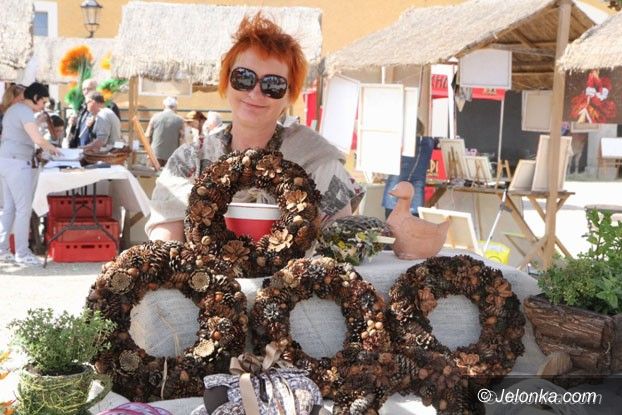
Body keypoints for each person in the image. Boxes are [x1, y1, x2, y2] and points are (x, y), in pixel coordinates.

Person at [145, 13, 363, 241]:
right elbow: (164, 240)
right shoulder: (190, 161)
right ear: (226, 82)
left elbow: (341, 244)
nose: (255, 93)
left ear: (289, 96)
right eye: (244, 78)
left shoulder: (318, 162)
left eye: (273, 85)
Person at [0, 82, 60, 265]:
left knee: (10, 208)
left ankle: (3, 249)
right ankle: (22, 252)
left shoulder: (14, 109)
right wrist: (54, 149)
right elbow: (38, 139)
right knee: (23, 209)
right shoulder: (24, 111)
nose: (44, 105)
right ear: (35, 98)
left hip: (7, 161)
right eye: (43, 101)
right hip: (18, 163)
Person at [382, 119, 434, 218]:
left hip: (395, 191)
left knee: (391, 221)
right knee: (413, 222)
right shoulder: (428, 144)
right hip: (416, 194)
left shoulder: (397, 142)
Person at [145, 97, 184, 166]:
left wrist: (148, 153)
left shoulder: (155, 117)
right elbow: (182, 138)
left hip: (155, 154)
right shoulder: (180, 120)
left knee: (153, 172)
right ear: (175, 107)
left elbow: (147, 135)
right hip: (172, 156)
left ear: (164, 105)